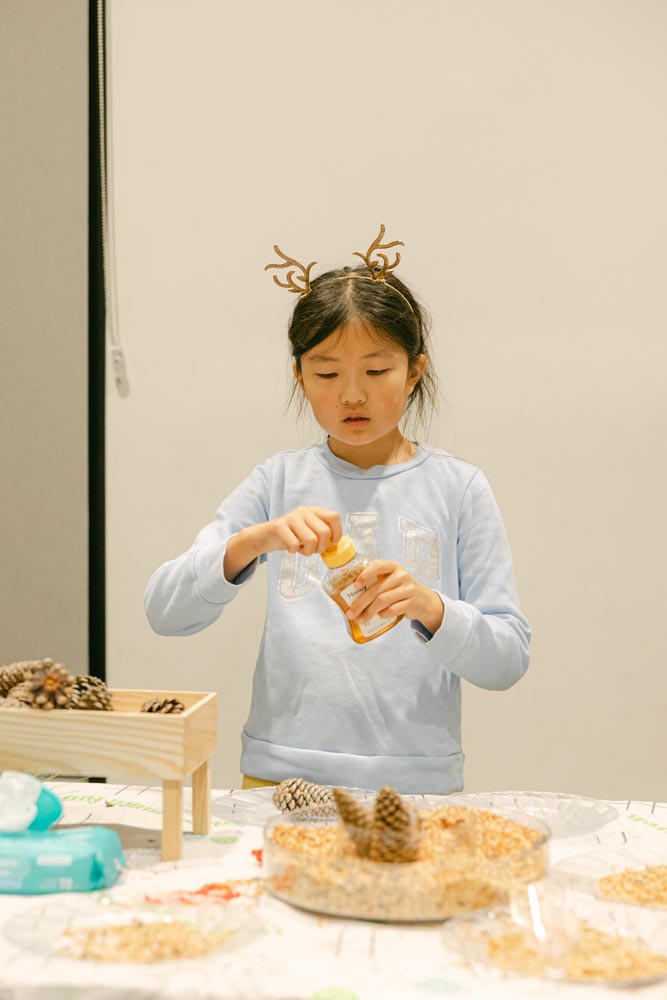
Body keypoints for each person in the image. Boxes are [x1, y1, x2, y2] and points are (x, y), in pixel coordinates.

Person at [144, 226, 530, 794]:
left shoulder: (459, 488)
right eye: (326, 373)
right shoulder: (277, 482)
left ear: (415, 371)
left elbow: (508, 659)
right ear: (299, 376)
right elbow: (164, 611)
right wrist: (254, 542)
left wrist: (430, 607)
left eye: (376, 371)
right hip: (279, 780)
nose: (352, 395)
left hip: (414, 787)